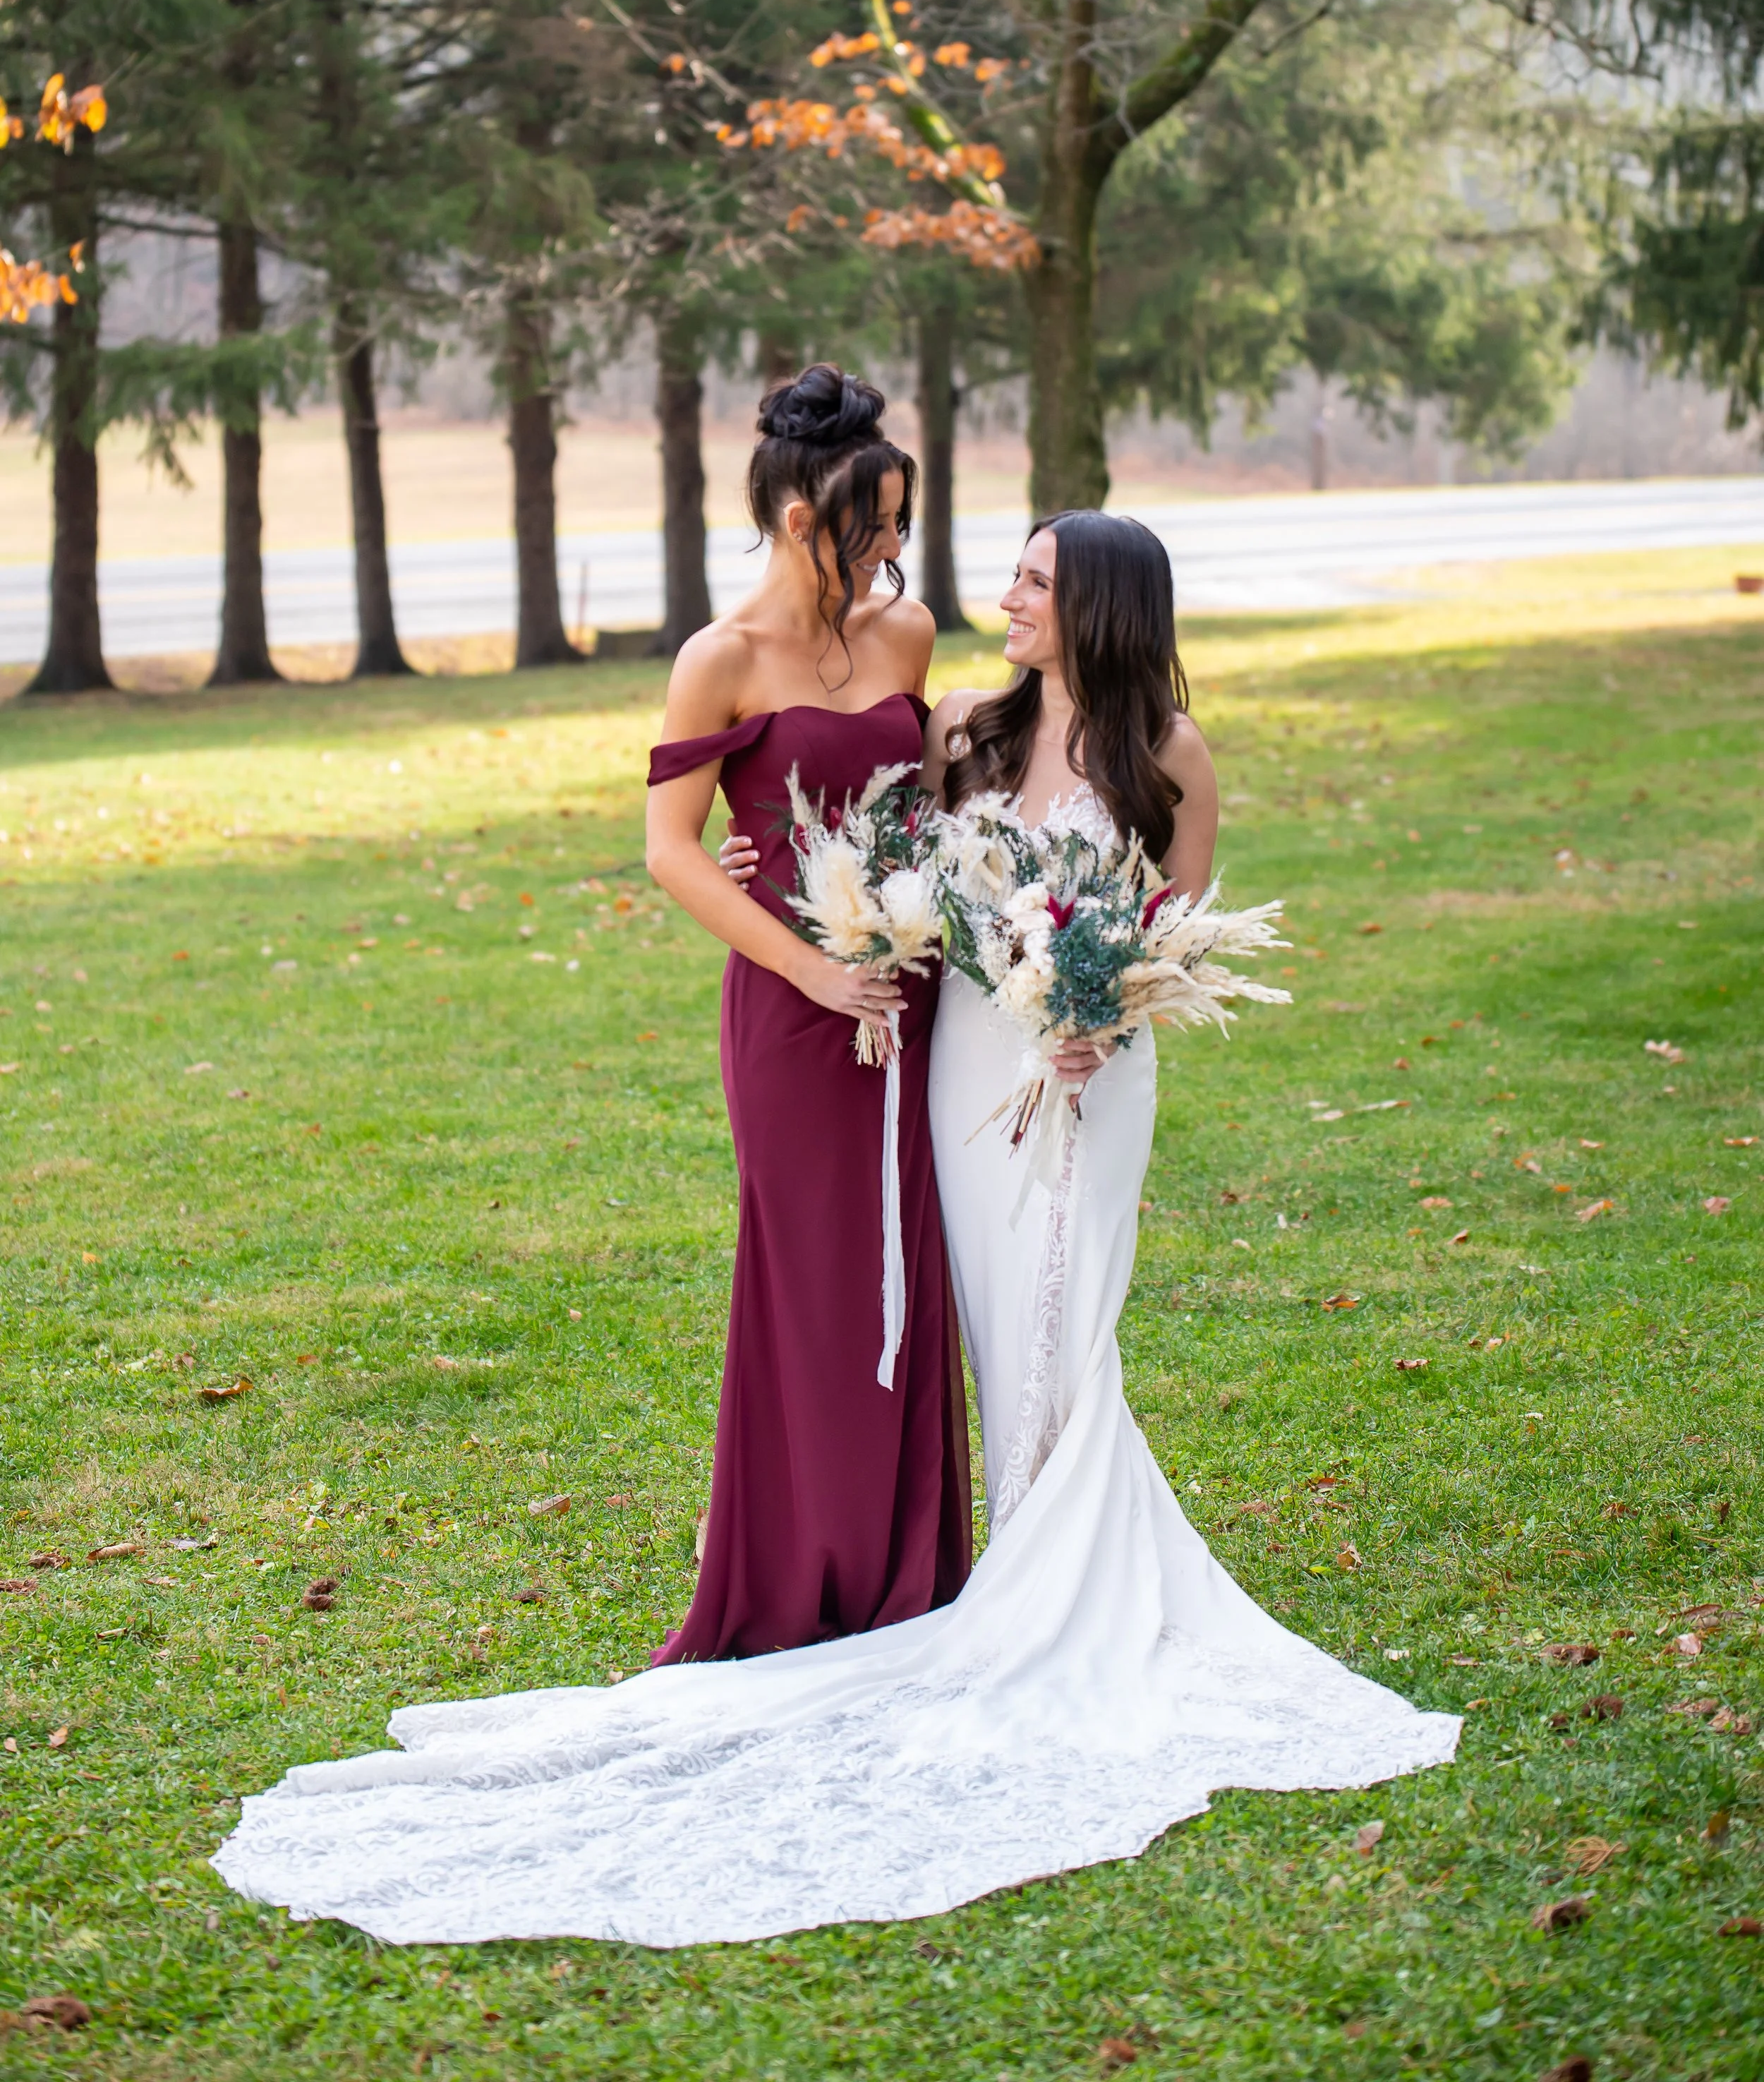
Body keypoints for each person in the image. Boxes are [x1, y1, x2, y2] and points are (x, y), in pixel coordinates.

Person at [209, 505, 1456, 1953]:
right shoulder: (973, 734)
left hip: (1089, 1082)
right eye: (1015, 575)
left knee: (1071, 1323)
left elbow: (1174, 924)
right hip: (968, 1067)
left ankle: (1057, 1595)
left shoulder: (1167, 754)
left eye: (1037, 581)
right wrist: (765, 871)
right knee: (993, 1321)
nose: (1007, 596)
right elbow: (877, 851)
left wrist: (1101, 1019)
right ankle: (1025, 1575)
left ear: (1103, 604)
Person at [641, 363, 971, 1660]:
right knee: (813, 1279)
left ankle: (912, 1566)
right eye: (872, 523)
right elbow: (671, 848)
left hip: (916, 988)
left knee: (915, 1258)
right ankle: (798, 1571)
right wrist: (807, 961)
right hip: (793, 1007)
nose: (893, 549)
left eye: (901, 523)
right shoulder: (718, 660)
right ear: (797, 519)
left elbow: (935, 803)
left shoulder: (906, 634)